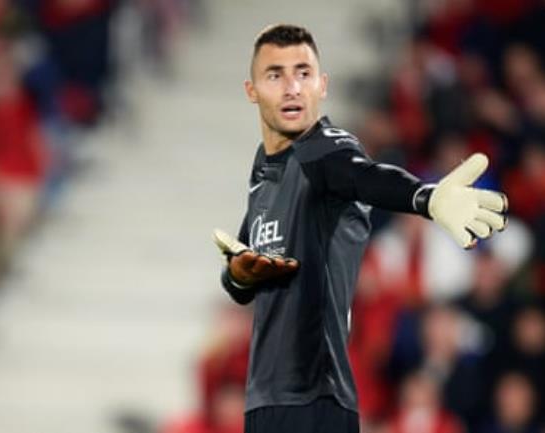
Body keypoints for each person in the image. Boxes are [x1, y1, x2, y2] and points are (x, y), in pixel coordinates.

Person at [212, 24, 508, 433]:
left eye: (303, 72)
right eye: (275, 74)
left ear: (322, 85)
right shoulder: (266, 168)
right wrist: (237, 276)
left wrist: (423, 198)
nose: (292, 87)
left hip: (314, 400)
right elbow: (244, 266)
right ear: (252, 90)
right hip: (265, 399)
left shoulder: (325, 149)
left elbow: (362, 176)